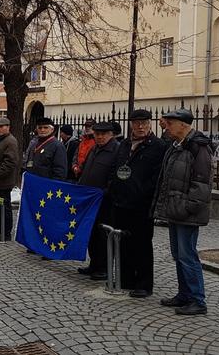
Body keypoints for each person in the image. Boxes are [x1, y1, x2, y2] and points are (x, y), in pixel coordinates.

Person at [153, 108, 213, 316]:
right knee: (178, 255)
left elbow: (202, 183)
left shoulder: (199, 147)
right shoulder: (176, 145)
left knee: (188, 256)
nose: (166, 127)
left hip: (187, 212)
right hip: (174, 210)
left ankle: (197, 299)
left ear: (183, 125)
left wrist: (187, 207)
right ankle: (184, 294)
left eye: (170, 123)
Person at [110, 109, 167, 298]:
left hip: (142, 204)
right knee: (123, 242)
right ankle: (126, 278)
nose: (140, 126)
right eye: (136, 123)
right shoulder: (124, 144)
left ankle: (144, 284)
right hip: (121, 202)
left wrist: (143, 193)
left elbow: (157, 176)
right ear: (131, 124)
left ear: (150, 124)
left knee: (142, 245)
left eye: (144, 123)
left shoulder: (158, 146)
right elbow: (116, 168)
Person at [77, 121, 120, 280]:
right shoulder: (94, 148)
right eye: (97, 134)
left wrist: (106, 192)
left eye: (103, 134)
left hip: (104, 201)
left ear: (111, 134)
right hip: (89, 199)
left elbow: (116, 177)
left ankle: (104, 268)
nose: (100, 137)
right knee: (92, 233)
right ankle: (94, 263)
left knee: (103, 235)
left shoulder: (116, 150)